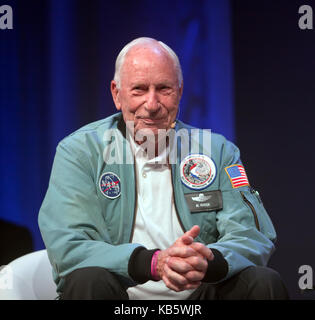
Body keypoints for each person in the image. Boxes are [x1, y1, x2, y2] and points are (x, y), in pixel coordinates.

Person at [38, 37, 289, 300]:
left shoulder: (217, 151)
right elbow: (68, 245)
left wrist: (209, 261)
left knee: (263, 282)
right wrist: (154, 262)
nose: (152, 104)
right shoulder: (80, 150)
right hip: (120, 296)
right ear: (116, 94)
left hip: (197, 296)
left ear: (180, 92)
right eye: (139, 89)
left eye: (164, 89)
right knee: (87, 280)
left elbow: (251, 233)